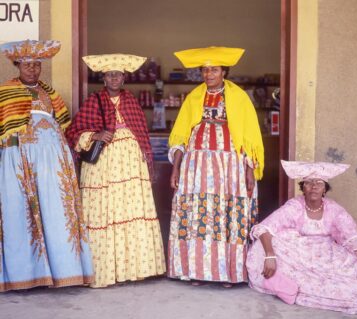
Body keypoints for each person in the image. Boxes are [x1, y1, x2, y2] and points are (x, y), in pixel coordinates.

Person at [0, 39, 94, 292]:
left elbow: (63, 126)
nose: (32, 70)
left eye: (37, 66)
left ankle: (64, 271)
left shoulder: (51, 93)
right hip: (19, 158)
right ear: (17, 65)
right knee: (20, 211)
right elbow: (5, 129)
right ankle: (26, 275)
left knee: (56, 209)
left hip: (52, 159)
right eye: (27, 65)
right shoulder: (5, 92)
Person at [65, 53, 166, 288]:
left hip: (131, 165)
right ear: (103, 78)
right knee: (105, 210)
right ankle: (105, 271)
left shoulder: (131, 101)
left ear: (123, 78)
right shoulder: (93, 101)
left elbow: (141, 133)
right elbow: (73, 133)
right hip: (103, 167)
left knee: (129, 209)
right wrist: (96, 135)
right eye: (110, 74)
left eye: (118, 74)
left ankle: (135, 269)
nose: (114, 78)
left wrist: (145, 159)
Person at [167, 46, 264, 286]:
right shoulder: (193, 97)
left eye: (214, 69)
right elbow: (180, 136)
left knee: (228, 213)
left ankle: (229, 273)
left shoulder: (239, 97)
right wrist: (176, 168)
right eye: (205, 70)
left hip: (230, 167)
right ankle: (197, 271)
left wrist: (250, 171)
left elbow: (249, 140)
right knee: (197, 213)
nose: (209, 74)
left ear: (224, 72)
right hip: (196, 167)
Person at [246, 160, 357, 314]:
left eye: (319, 183)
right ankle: (286, 284)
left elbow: (352, 237)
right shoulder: (295, 206)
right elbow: (266, 227)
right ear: (303, 189)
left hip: (326, 255)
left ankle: (295, 285)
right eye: (308, 183)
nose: (314, 186)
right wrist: (270, 256)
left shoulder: (334, 209)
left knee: (349, 280)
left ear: (324, 189)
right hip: (298, 254)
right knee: (264, 245)